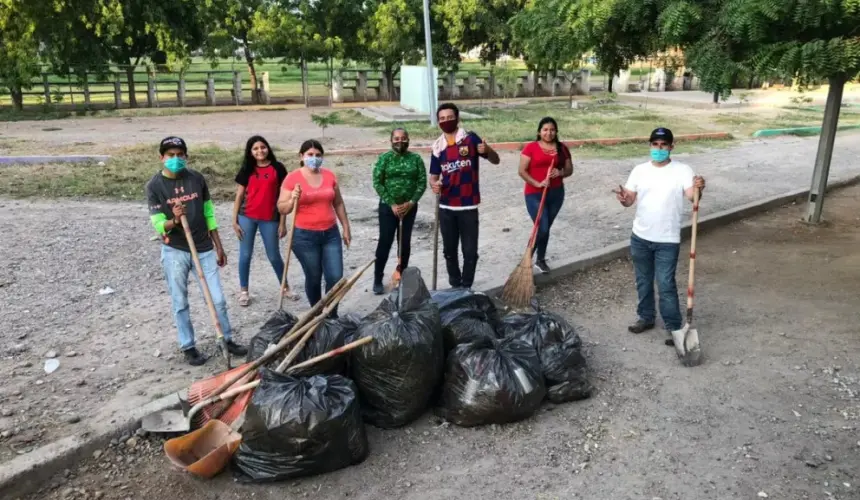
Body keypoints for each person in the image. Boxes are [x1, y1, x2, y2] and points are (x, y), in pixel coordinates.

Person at [146, 136, 247, 366]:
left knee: (218, 299)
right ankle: (188, 346)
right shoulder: (155, 186)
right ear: (162, 157)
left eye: (180, 154)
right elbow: (158, 225)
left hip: (203, 247)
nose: (175, 159)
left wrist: (218, 245)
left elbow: (209, 213)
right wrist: (175, 220)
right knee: (180, 301)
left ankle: (226, 339)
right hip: (175, 250)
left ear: (186, 156)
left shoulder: (196, 179)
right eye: (170, 155)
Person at [614, 127, 706, 345]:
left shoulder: (682, 170)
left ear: (671, 147)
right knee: (643, 281)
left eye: (663, 145)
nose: (659, 148)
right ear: (650, 146)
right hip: (640, 236)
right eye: (655, 144)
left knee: (665, 284)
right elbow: (629, 201)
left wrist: (699, 188)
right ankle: (646, 317)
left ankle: (674, 327)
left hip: (667, 239)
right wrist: (623, 198)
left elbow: (693, 197)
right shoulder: (639, 170)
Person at [429, 103, 500, 290]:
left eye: (449, 117)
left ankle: (466, 287)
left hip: (468, 206)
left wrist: (488, 151)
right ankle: (455, 286)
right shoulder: (438, 147)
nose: (446, 121)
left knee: (470, 252)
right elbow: (434, 177)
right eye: (442, 119)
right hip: (446, 207)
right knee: (449, 252)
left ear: (458, 118)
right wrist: (434, 185)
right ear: (438, 122)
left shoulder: (470, 139)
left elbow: (496, 160)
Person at [277, 140, 351, 317]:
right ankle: (317, 315)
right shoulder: (292, 178)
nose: (314, 158)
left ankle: (331, 315)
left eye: (318, 155)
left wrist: (346, 227)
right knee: (314, 277)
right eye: (310, 155)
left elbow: (338, 203)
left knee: (335, 277)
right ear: (301, 156)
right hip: (304, 237)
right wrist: (292, 198)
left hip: (330, 234)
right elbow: (282, 208)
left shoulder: (330, 176)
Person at [232, 135, 289, 307]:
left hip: (270, 218)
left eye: (262, 147)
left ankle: (285, 287)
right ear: (250, 152)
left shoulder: (278, 168)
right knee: (245, 255)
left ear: (268, 148)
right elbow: (239, 195)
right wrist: (234, 220)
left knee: (273, 255)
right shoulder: (247, 169)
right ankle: (244, 291)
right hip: (246, 217)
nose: (260, 151)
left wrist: (283, 222)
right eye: (255, 148)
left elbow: (284, 197)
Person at [371, 128, 427, 294]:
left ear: (408, 140)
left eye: (403, 138)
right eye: (396, 138)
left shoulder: (416, 159)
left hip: (409, 208)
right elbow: (377, 182)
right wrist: (392, 204)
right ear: (391, 140)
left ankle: (401, 275)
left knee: (404, 243)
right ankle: (377, 278)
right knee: (385, 242)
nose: (400, 141)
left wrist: (411, 202)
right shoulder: (385, 158)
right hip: (388, 208)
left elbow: (421, 182)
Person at [518, 117, 574, 274]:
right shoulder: (531, 148)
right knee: (542, 227)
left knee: (546, 228)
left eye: (552, 130)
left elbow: (570, 170)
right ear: (539, 131)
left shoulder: (562, 149)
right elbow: (522, 171)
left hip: (556, 194)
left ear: (556, 132)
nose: (549, 133)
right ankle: (527, 259)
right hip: (534, 194)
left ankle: (540, 260)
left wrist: (561, 172)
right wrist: (537, 183)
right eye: (545, 129)